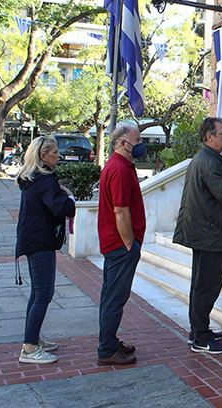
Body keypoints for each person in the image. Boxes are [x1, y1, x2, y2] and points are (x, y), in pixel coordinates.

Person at [174, 117, 222, 355]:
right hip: (210, 233)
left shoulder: (205, 158)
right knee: (207, 285)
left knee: (201, 284)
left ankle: (197, 331)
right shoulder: (210, 162)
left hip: (205, 231)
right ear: (209, 137)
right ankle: (201, 337)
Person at [15, 136, 76, 364]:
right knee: (44, 293)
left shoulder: (32, 178)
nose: (58, 156)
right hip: (40, 240)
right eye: (54, 152)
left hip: (33, 238)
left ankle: (33, 338)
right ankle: (29, 348)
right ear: (43, 155)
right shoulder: (45, 179)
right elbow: (62, 207)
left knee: (37, 293)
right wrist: (69, 197)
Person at [96, 123, 147, 365]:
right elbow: (120, 210)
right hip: (120, 246)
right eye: (136, 140)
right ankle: (106, 349)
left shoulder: (120, 166)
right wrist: (129, 243)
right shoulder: (119, 169)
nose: (140, 145)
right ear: (122, 143)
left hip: (116, 245)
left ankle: (109, 341)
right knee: (115, 297)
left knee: (112, 296)